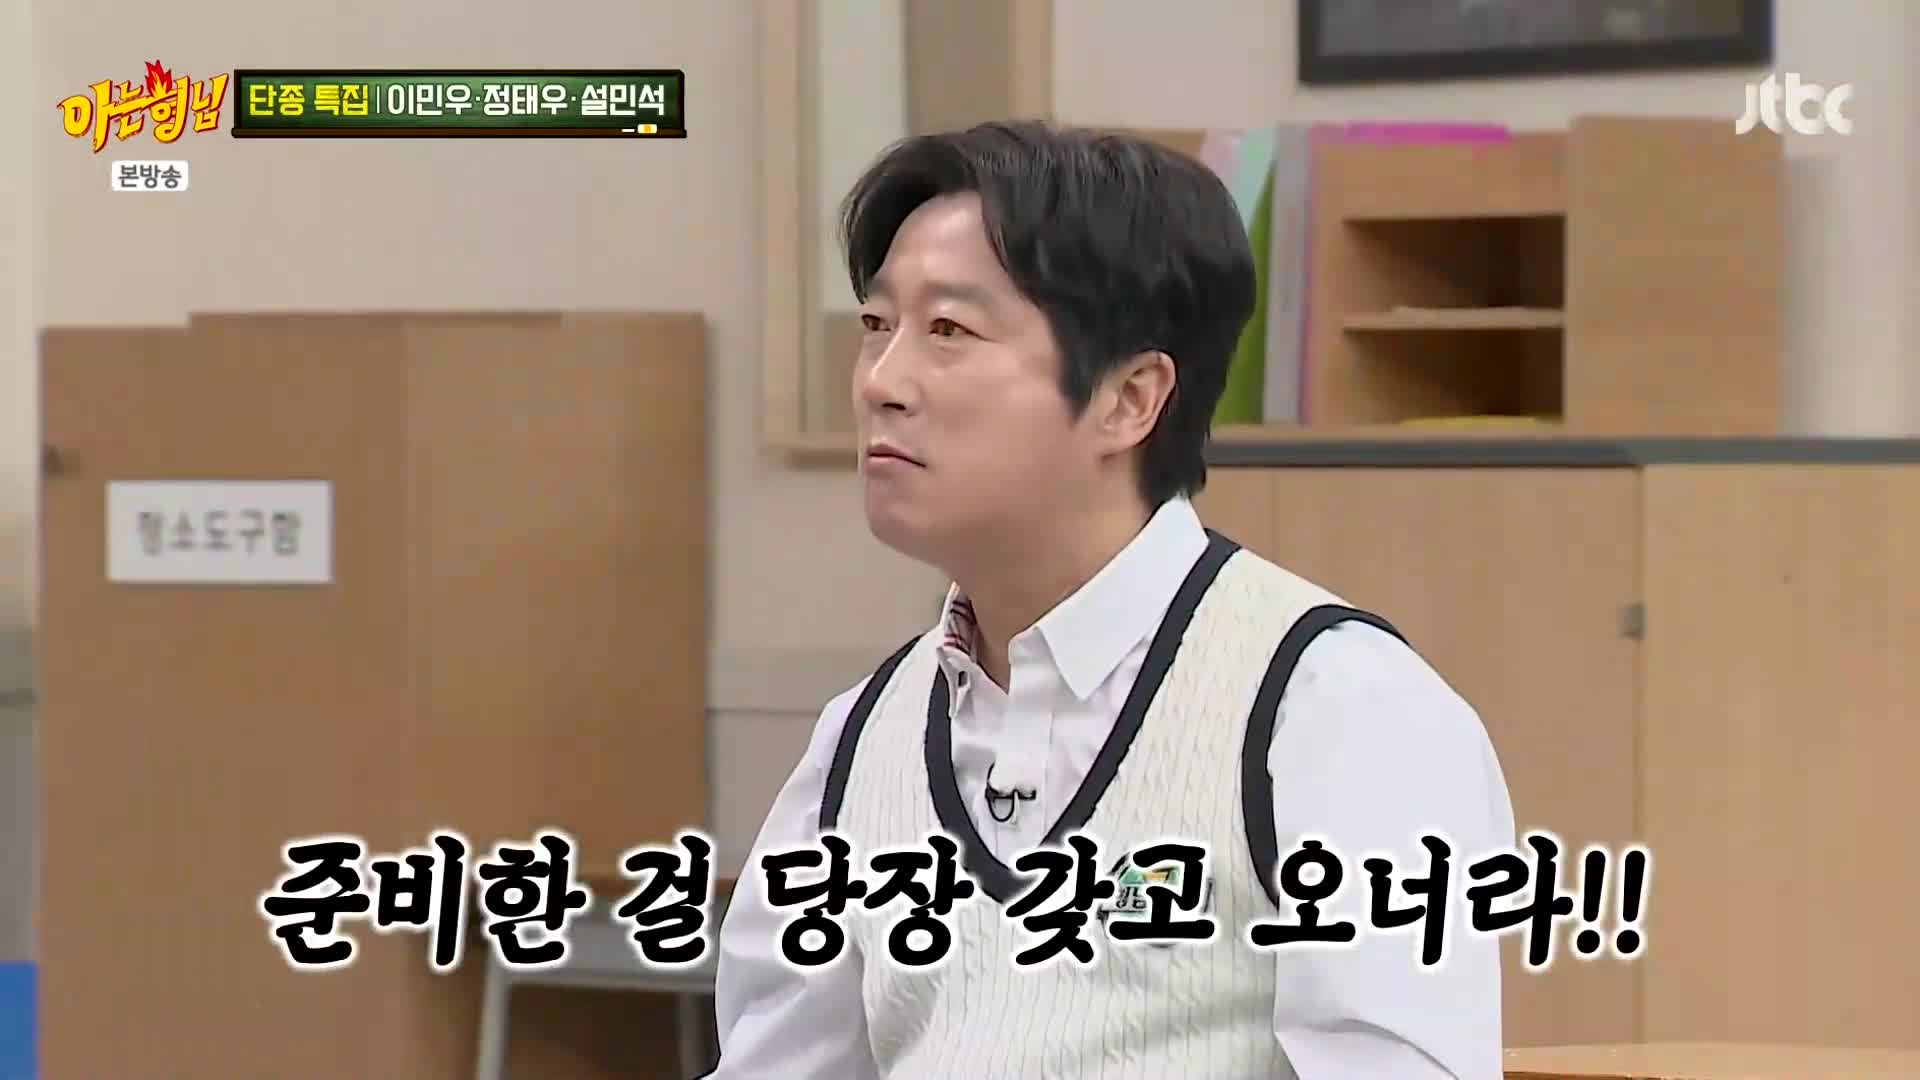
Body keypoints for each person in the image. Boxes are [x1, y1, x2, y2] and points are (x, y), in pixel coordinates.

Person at [708, 120, 1516, 1079]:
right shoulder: (861, 740)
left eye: (949, 331)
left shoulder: (1334, 708)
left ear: (1130, 399)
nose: (881, 383)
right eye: (876, 327)